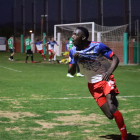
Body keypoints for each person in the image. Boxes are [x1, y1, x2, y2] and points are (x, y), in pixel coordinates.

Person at [68, 27, 128, 140]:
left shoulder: (97, 46)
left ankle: (125, 137)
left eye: (75, 34)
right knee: (110, 115)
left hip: (105, 80)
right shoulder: (72, 51)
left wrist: (109, 72)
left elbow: (115, 58)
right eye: (73, 34)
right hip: (92, 86)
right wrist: (74, 61)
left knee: (111, 107)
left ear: (83, 37)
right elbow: (71, 72)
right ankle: (113, 102)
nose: (73, 36)